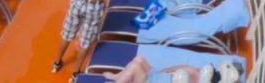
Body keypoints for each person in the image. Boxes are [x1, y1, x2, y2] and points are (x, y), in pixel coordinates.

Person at [100, 57, 242, 83]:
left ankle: (118, 80)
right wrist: (155, 72)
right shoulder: (193, 72)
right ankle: (117, 77)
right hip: (157, 77)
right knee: (139, 60)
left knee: (134, 67)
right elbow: (171, 69)